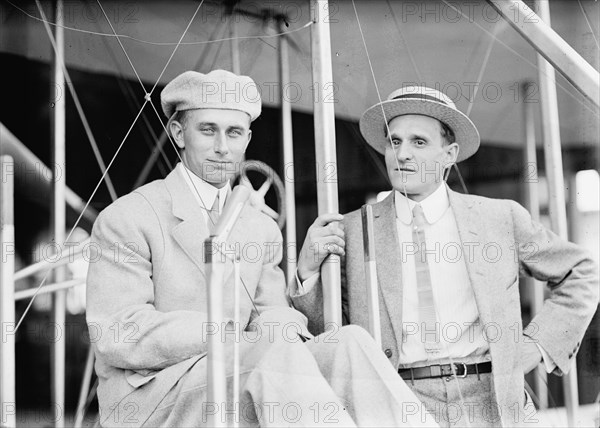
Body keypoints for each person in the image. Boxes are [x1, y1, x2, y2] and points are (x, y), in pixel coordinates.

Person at [86, 70, 439, 427]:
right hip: (157, 394)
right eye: (208, 130)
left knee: (348, 343)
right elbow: (117, 332)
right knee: (270, 353)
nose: (222, 146)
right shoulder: (128, 217)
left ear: (247, 139)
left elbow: (270, 312)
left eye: (234, 132)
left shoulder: (258, 227)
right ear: (179, 133)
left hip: (237, 373)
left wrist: (291, 338)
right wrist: (225, 334)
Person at [290, 86, 599, 427]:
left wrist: (537, 345)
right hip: (398, 400)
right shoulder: (353, 229)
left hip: (492, 398)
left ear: (449, 154)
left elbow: (581, 271)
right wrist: (307, 271)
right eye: (394, 142)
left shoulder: (499, 218)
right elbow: (329, 337)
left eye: (418, 142)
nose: (402, 154)